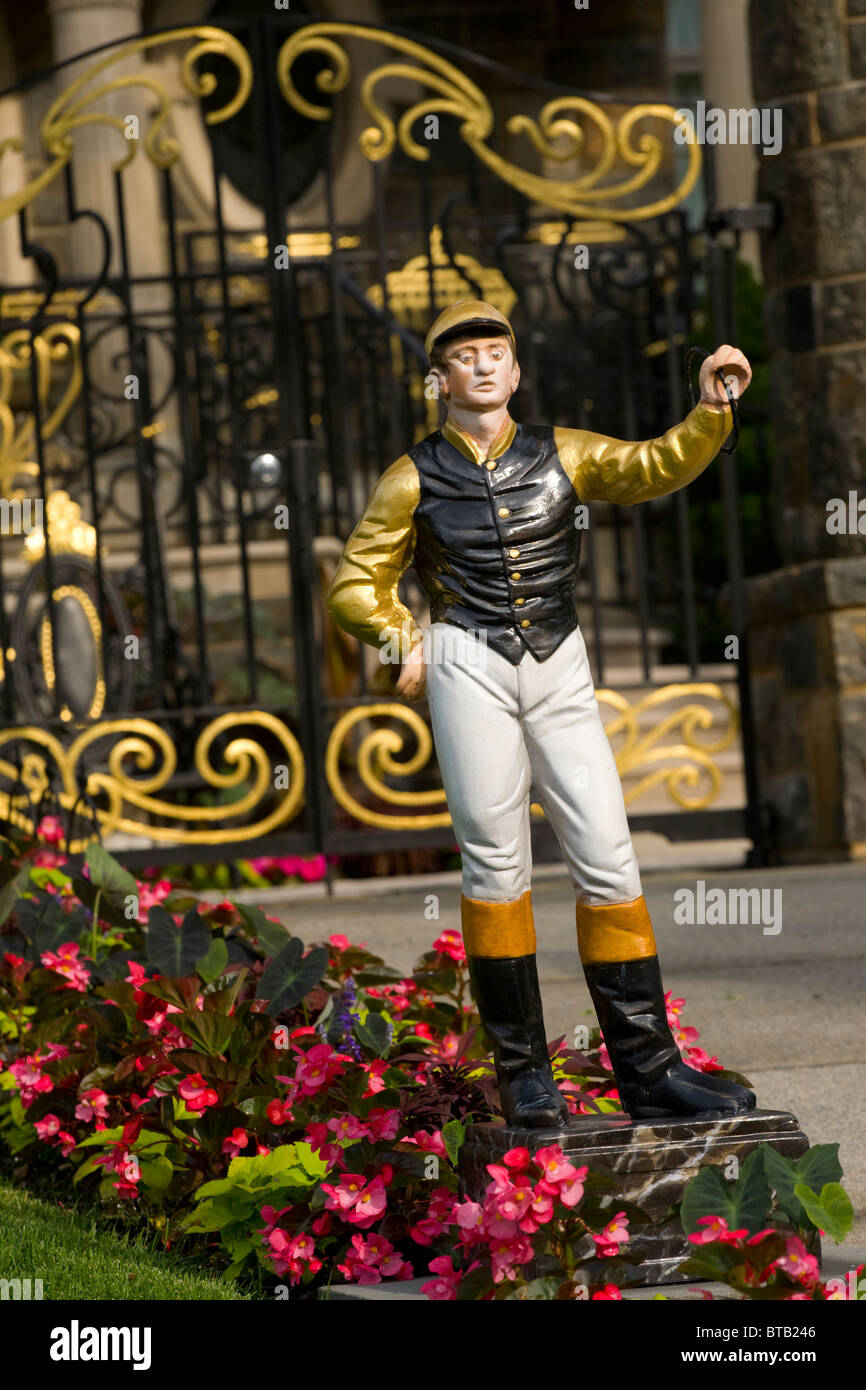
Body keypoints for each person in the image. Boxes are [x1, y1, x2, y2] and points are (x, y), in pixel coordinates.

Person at [328, 298, 756, 1128]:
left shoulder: (563, 452)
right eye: (464, 355)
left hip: (559, 661)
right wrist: (401, 641)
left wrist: (709, 411)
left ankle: (649, 1068)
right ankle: (524, 1075)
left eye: (496, 352)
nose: (484, 364)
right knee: (496, 864)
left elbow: (649, 466)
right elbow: (354, 581)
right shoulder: (410, 475)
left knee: (607, 853)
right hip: (465, 659)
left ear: (517, 370)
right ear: (437, 379)